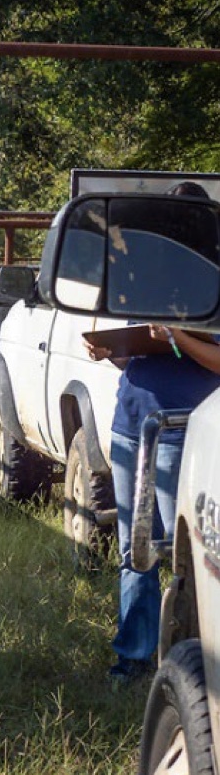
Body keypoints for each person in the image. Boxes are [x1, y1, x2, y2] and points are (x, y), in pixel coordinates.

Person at [84, 179, 220, 685]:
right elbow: (144, 357)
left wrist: (179, 335)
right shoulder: (145, 277)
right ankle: (132, 660)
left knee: (190, 555)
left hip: (188, 429)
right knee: (134, 551)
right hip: (132, 426)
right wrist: (113, 350)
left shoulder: (215, 281)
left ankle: (196, 663)